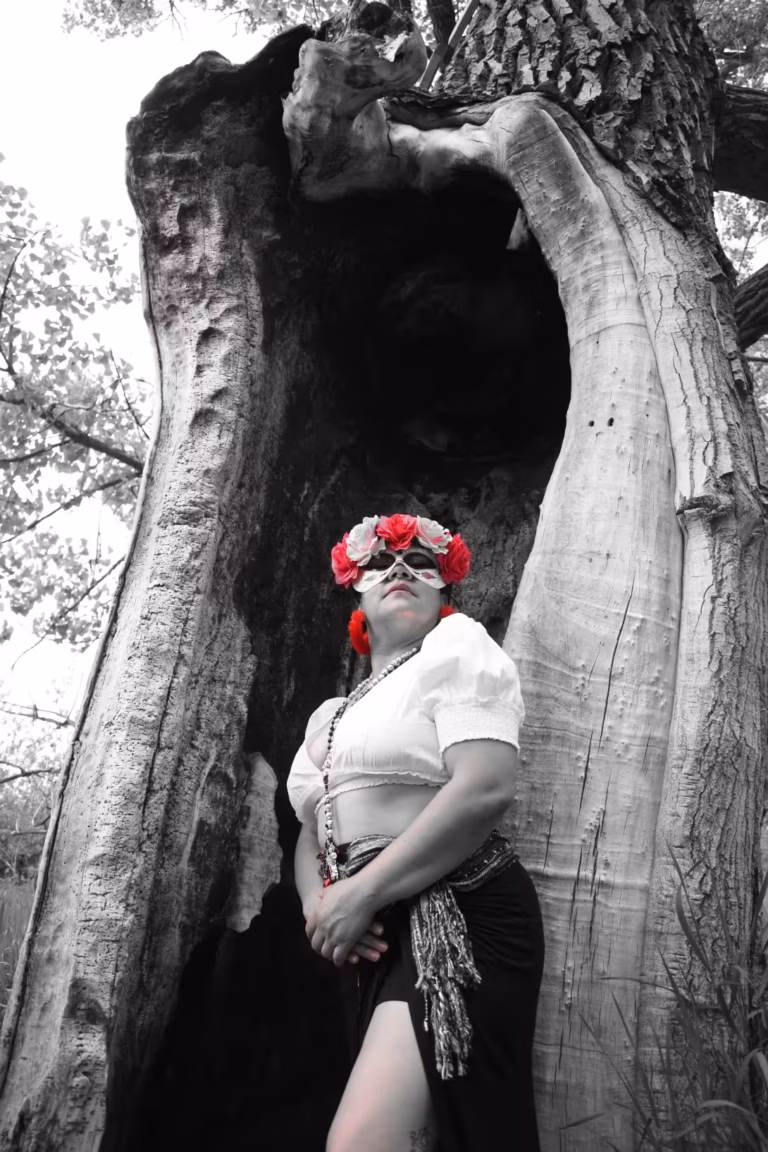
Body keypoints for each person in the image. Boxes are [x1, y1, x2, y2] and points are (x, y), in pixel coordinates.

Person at [287, 513, 544, 1152]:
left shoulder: (458, 648)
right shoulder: (331, 715)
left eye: (419, 563)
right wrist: (322, 910)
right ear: (356, 592)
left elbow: (485, 787)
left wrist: (361, 893)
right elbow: (312, 827)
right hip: (373, 932)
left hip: (461, 914)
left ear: (443, 591)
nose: (399, 569)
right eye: (379, 563)